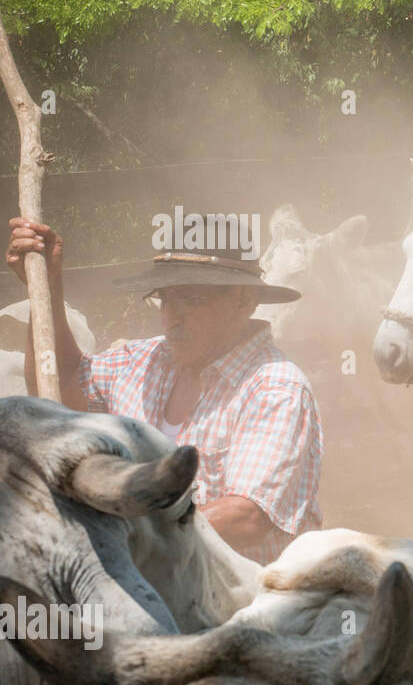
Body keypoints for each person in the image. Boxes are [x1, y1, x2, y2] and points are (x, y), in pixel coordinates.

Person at [6, 217, 323, 563]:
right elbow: (59, 383)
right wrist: (46, 286)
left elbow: (246, 517)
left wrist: (124, 534)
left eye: (192, 298)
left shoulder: (275, 388)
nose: (174, 315)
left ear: (243, 300)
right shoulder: (146, 361)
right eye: (167, 298)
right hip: (152, 584)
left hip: (241, 602)